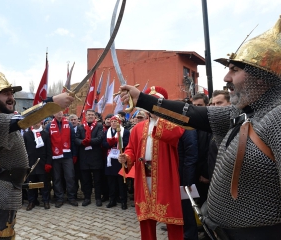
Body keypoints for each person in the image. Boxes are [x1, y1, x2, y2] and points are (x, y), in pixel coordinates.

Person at [119, 16, 281, 239]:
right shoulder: (242, 112)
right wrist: (143, 100)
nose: (226, 77)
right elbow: (193, 115)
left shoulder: (278, 118)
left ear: (262, 76)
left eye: (234, 70)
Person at [0, 69, 74, 239]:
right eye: (5, 94)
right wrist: (52, 102)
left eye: (12, 94)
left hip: (6, 187)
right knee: (0, 235)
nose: (11, 98)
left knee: (7, 234)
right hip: (0, 188)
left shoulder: (5, 121)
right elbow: (25, 119)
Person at [118, 86, 185, 240]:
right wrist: (126, 158)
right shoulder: (138, 128)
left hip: (165, 176)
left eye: (156, 103)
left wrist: (160, 116)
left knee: (172, 217)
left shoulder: (171, 123)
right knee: (146, 218)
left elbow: (174, 134)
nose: (152, 108)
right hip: (143, 175)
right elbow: (131, 149)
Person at [46, 111, 78, 208]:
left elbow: (73, 140)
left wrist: (74, 154)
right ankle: (59, 198)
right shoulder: (49, 126)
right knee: (57, 178)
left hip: (67, 156)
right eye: (57, 112)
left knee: (70, 177)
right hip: (55, 157)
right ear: (54, 114)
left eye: (61, 112)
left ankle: (71, 197)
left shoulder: (68, 124)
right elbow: (48, 143)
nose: (59, 114)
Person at [75, 109, 104, 207]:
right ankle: (87, 198)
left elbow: (100, 139)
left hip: (96, 157)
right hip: (84, 157)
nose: (90, 116)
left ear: (95, 116)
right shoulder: (80, 127)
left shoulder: (99, 126)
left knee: (97, 180)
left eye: (92, 115)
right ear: (85, 116)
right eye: (89, 115)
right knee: (85, 180)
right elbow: (76, 139)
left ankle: (98, 198)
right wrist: (82, 142)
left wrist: (88, 141)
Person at [102, 115, 129, 210]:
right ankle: (112, 200)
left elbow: (126, 143)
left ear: (119, 123)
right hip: (110, 160)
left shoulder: (125, 132)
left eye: (115, 121)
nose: (113, 123)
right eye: (112, 121)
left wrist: (117, 142)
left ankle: (123, 201)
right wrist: (111, 143)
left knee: (121, 182)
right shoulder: (106, 132)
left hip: (120, 159)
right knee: (111, 182)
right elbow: (104, 144)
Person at [23, 121, 52, 210]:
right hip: (31, 163)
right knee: (31, 184)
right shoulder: (27, 135)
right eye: (34, 122)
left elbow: (49, 150)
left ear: (41, 123)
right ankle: (32, 201)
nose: (36, 124)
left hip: (42, 163)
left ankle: (45, 201)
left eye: (38, 122)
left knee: (44, 184)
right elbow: (24, 150)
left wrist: (48, 163)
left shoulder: (46, 134)